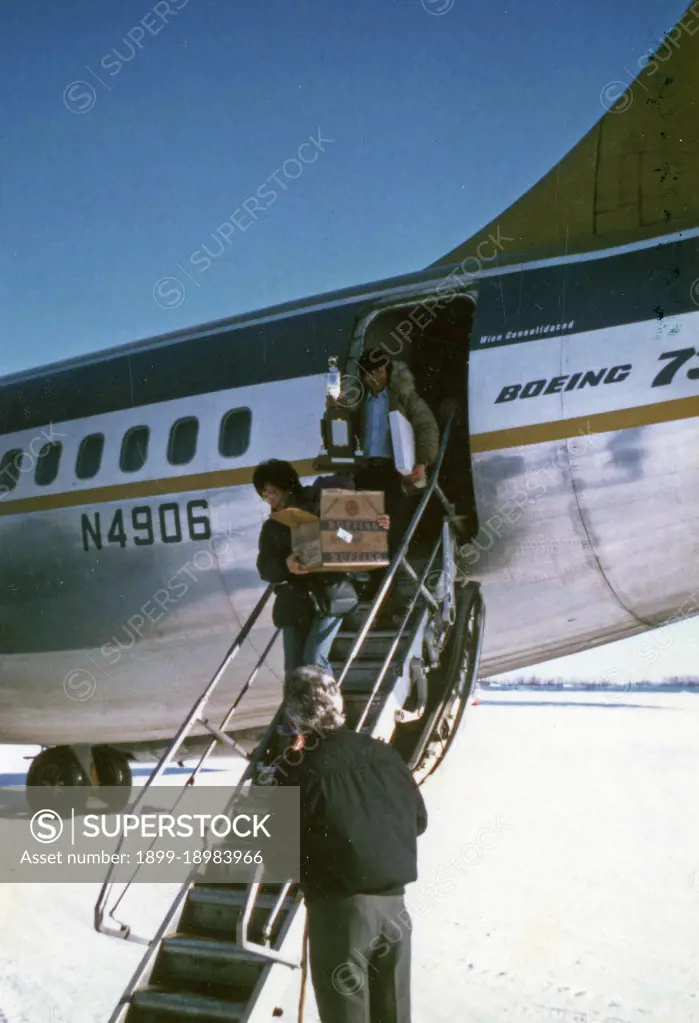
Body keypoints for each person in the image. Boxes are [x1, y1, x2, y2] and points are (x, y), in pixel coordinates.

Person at [278, 665, 428, 1023]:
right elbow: (419, 820)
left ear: (297, 717)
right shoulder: (387, 756)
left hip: (341, 915)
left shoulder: (303, 770)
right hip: (394, 910)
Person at [253, 459, 388, 685]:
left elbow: (350, 537)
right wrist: (287, 566)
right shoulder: (273, 526)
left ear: (287, 487)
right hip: (295, 603)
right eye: (265, 495)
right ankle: (297, 719)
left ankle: (330, 712)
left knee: (314, 659)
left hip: (330, 594)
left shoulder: (321, 505)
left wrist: (374, 527)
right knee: (294, 670)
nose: (270, 500)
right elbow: (264, 567)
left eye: (273, 492)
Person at [332, 348, 440, 561]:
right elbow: (338, 433)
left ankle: (391, 576)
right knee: (362, 527)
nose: (375, 377)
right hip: (365, 472)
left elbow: (426, 426)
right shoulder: (360, 405)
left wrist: (423, 462)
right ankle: (371, 575)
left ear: (388, 372)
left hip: (393, 473)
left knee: (392, 528)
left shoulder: (404, 397)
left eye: (380, 371)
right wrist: (335, 411)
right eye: (370, 373)